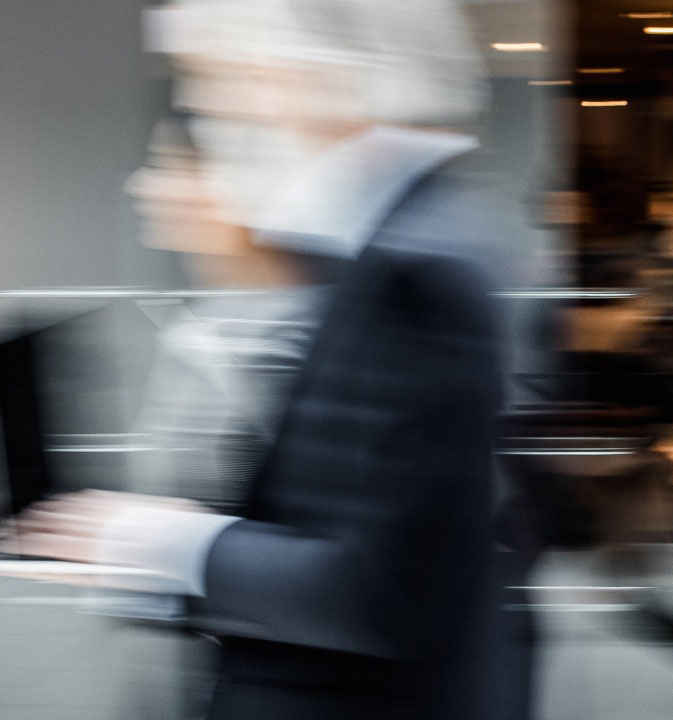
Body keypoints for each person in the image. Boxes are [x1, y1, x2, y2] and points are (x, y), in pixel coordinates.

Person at [13, 1, 531, 719]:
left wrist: (152, 540)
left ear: (301, 80)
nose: (205, 107)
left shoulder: (414, 267)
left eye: (219, 77)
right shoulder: (385, 250)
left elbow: (389, 590)